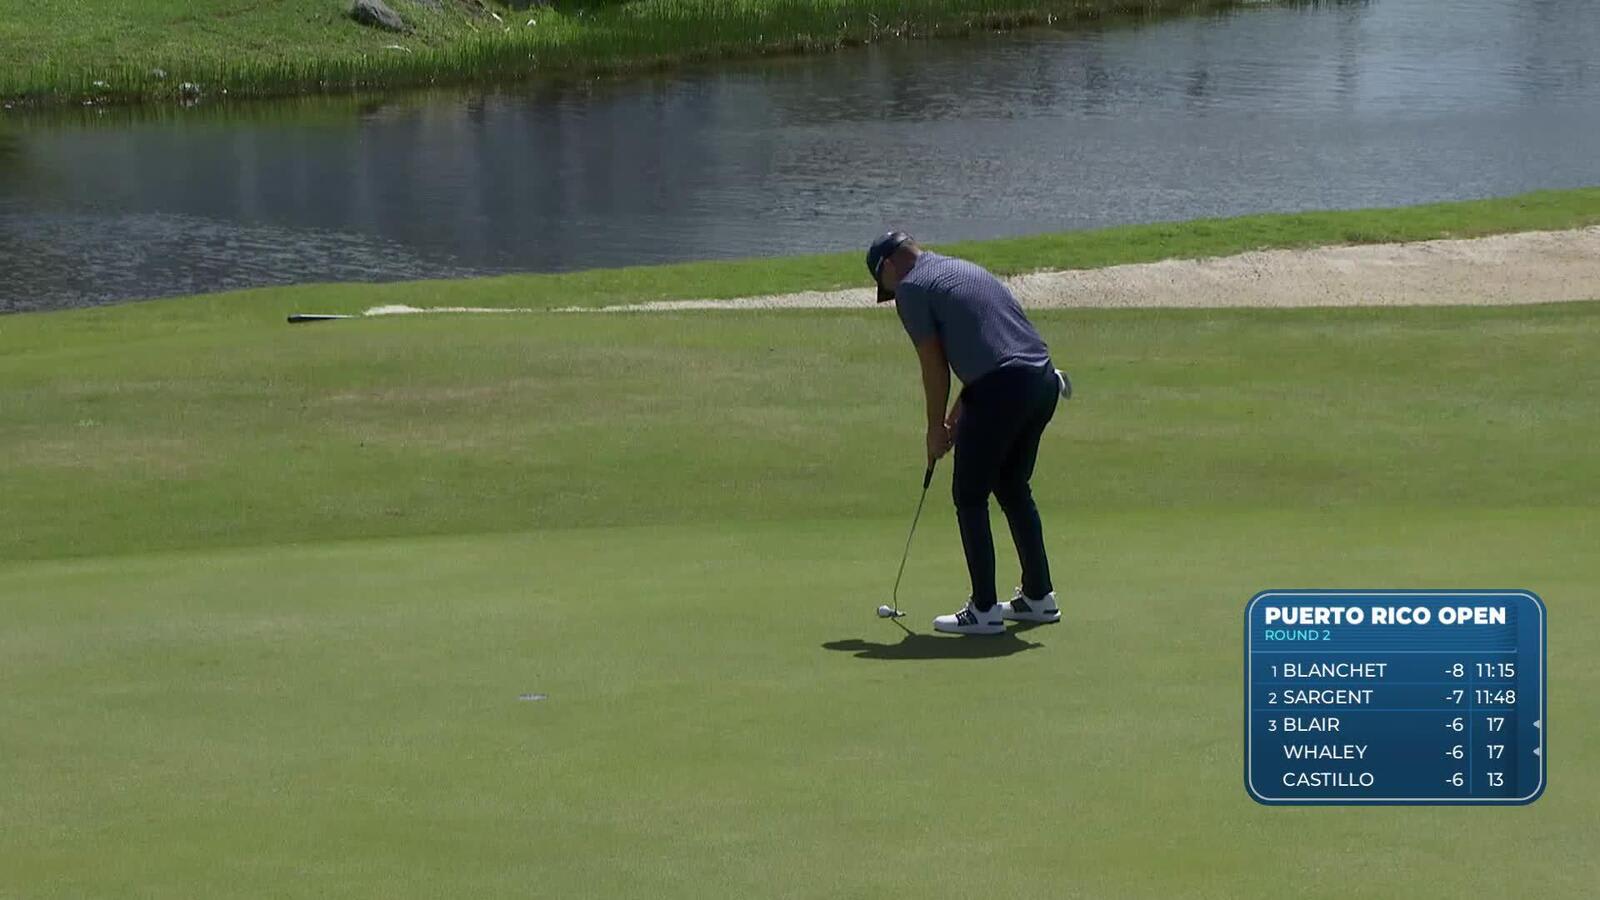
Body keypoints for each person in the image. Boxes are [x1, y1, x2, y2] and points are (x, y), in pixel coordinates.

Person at [867, 231, 1070, 636]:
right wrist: (954, 421)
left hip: (1003, 387)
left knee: (969, 495)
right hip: (1042, 380)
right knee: (1011, 486)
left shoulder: (911, 288)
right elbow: (988, 355)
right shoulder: (959, 268)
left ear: (888, 266)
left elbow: (934, 366)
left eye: (883, 283)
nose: (890, 293)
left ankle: (983, 610)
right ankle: (1038, 597)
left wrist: (933, 429)